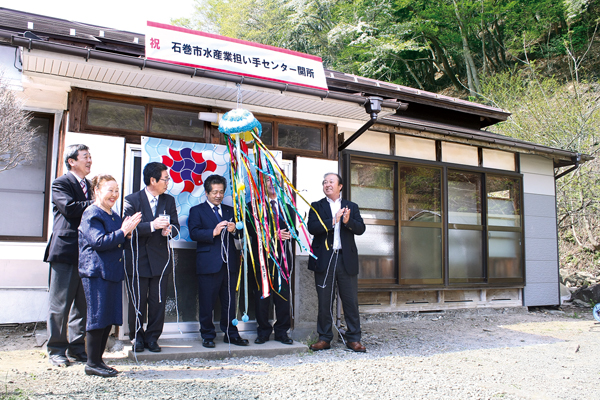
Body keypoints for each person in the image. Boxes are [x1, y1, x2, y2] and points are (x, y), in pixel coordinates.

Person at [78, 175, 142, 377]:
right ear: (97, 191)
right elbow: (99, 242)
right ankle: (92, 363)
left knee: (108, 318)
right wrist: (123, 231)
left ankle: (99, 361)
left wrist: (127, 234)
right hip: (96, 272)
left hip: (113, 271)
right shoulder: (92, 214)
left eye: (116, 190)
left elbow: (118, 241)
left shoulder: (114, 215)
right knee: (98, 317)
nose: (114, 195)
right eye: (109, 190)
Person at [43, 144, 93, 367]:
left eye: (90, 157)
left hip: (86, 253)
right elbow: (70, 208)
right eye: (85, 157)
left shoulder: (90, 186)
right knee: (60, 305)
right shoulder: (61, 183)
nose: (89, 160)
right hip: (64, 251)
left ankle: (77, 347)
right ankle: (56, 349)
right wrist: (96, 203)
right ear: (72, 161)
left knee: (82, 305)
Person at [123, 162, 180, 353]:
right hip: (138, 259)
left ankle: (153, 337)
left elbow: (177, 227)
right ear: (152, 180)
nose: (168, 182)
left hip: (160, 260)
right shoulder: (132, 200)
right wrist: (152, 226)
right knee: (137, 301)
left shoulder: (169, 201)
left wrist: (169, 230)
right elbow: (127, 228)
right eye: (165, 179)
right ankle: (137, 337)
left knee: (158, 301)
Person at [307, 173, 366, 352]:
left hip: (345, 259)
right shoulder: (316, 206)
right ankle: (324, 338)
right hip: (325, 259)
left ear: (340, 186)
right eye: (325, 182)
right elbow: (312, 228)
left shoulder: (351, 206)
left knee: (350, 301)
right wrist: (333, 221)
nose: (327, 184)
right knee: (325, 301)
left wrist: (347, 222)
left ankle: (353, 338)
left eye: (331, 182)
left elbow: (361, 228)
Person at [188, 174, 249, 348]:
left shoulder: (231, 211)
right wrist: (212, 232)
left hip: (229, 264)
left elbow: (242, 234)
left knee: (230, 301)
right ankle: (207, 335)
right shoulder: (197, 210)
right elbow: (193, 233)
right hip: (208, 264)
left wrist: (234, 231)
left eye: (221, 192)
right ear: (206, 193)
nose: (218, 195)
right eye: (214, 192)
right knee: (207, 302)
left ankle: (231, 333)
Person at [247, 179, 295, 345]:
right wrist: (272, 235)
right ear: (262, 184)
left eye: (275, 180)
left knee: (283, 296)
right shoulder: (253, 206)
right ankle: (263, 331)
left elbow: (292, 231)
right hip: (261, 258)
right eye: (268, 180)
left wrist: (286, 235)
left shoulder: (288, 208)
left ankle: (282, 331)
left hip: (282, 260)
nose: (272, 183)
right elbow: (251, 230)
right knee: (262, 295)